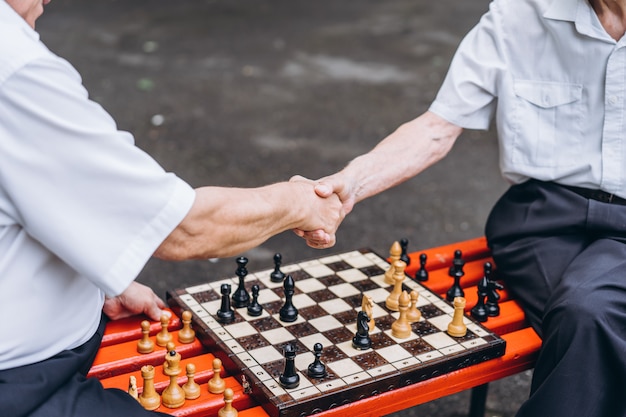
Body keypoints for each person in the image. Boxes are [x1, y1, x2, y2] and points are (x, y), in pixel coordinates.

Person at [0, 1, 343, 416]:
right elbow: (185, 230)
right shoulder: (15, 69)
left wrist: (94, 277)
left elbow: (27, 189)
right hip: (21, 384)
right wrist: (298, 203)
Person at [296, 0, 626, 415]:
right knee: (590, 317)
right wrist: (350, 185)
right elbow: (437, 128)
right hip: (542, 221)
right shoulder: (519, 15)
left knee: (590, 316)